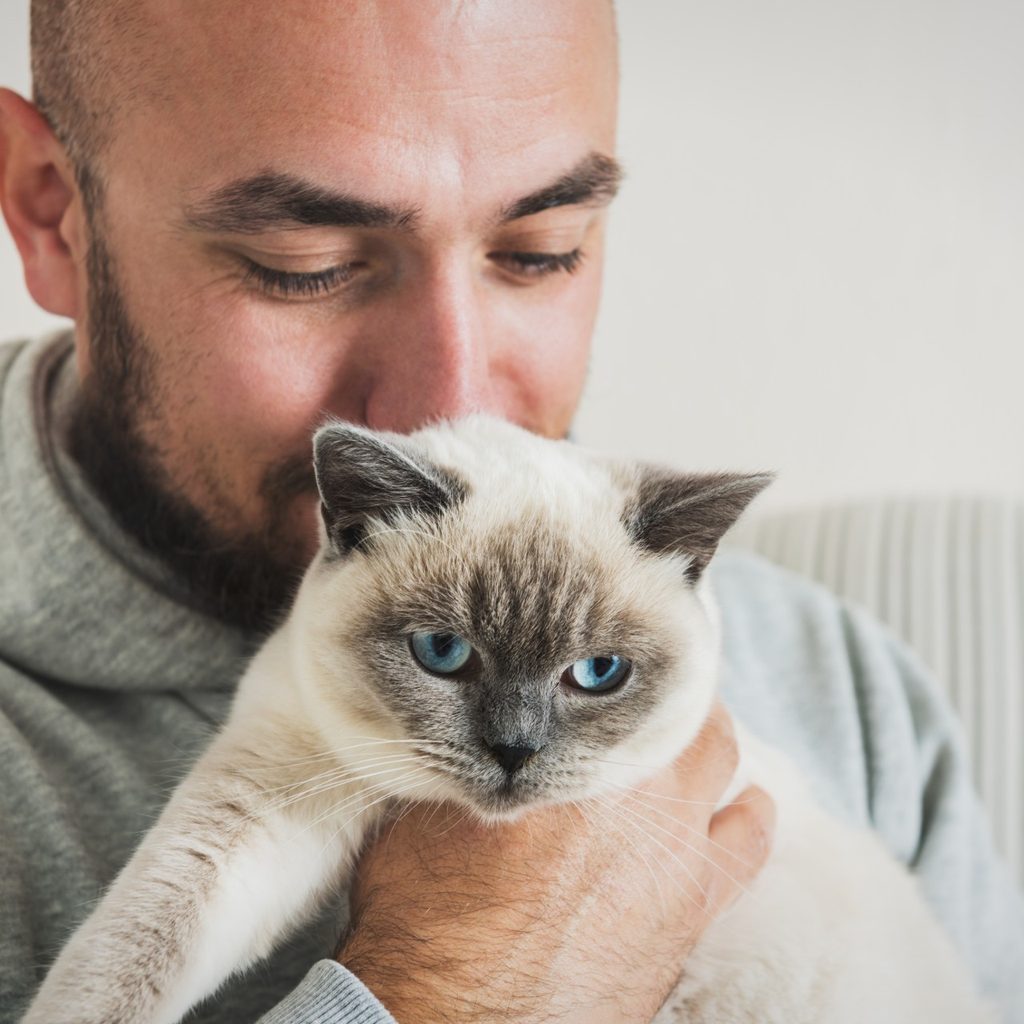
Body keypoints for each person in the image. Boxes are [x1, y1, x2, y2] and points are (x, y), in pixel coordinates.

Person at [0, 2, 1020, 1022]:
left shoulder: (844, 686)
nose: (452, 401)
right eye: (302, 264)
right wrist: (437, 994)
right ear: (51, 211)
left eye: (542, 249)